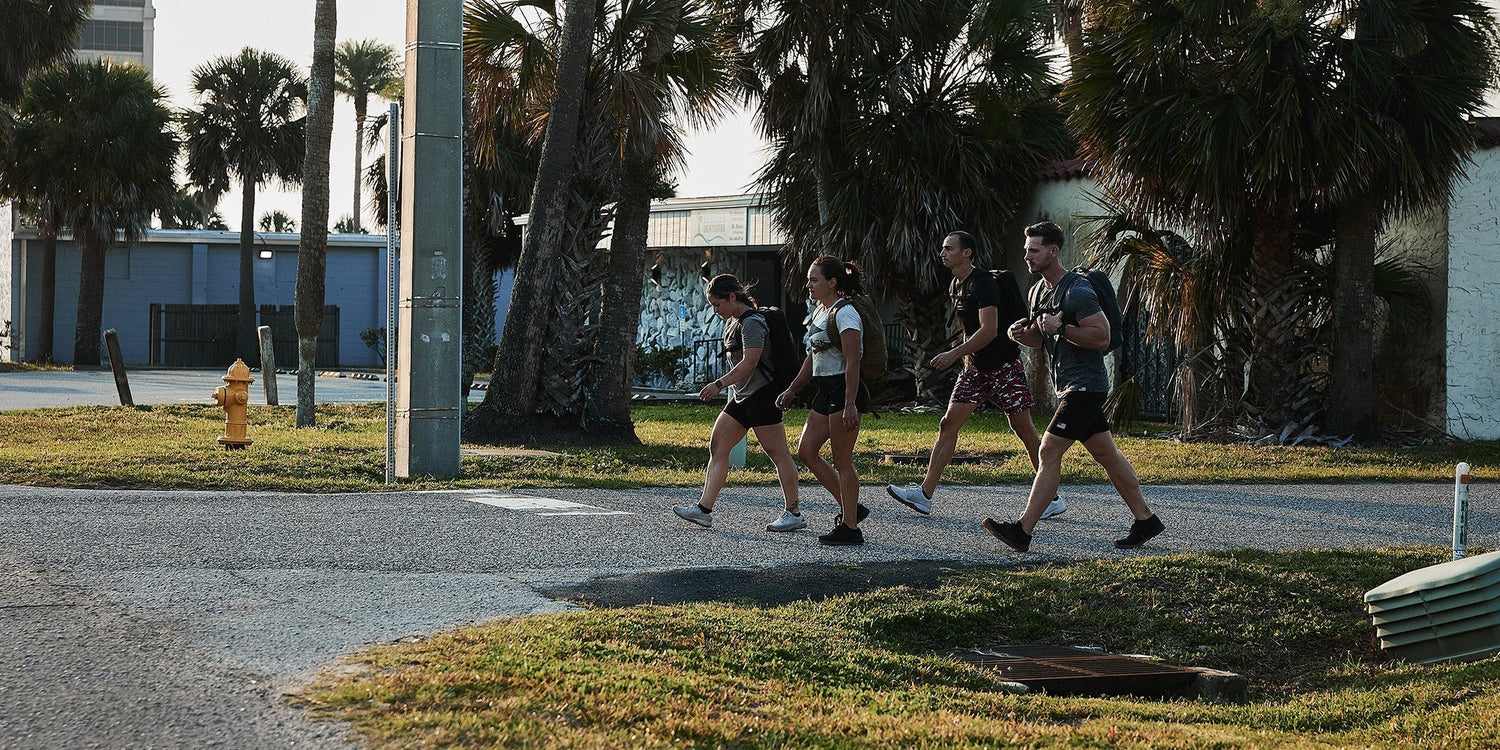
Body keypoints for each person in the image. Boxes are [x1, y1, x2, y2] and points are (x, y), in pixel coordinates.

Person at [986, 221, 1165, 552]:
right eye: (1026, 250)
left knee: (1048, 450)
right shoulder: (1038, 290)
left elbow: (1102, 336)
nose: (1027, 256)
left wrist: (1064, 328)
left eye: (1034, 250)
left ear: (1053, 252)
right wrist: (1026, 336)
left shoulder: (1078, 291)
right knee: (1105, 454)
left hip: (1086, 386)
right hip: (1068, 386)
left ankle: (1022, 531)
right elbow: (1044, 337)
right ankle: (1145, 520)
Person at [885, 230, 1064, 521]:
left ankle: (1052, 497)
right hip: (975, 370)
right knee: (948, 424)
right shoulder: (956, 284)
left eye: (949, 248)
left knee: (1023, 429)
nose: (942, 253)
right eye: (942, 248)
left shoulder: (984, 284)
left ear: (966, 253)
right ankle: (925, 494)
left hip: (1004, 367)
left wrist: (954, 354)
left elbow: (989, 329)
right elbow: (971, 331)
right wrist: (964, 359)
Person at [673, 275, 804, 532]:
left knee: (777, 453)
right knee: (718, 446)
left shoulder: (752, 323)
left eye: (717, 304)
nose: (715, 310)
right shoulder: (732, 322)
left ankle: (794, 512)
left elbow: (750, 362)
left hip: (763, 395)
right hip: (742, 396)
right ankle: (704, 510)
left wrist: (718, 385)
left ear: (732, 297)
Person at [776, 256, 871, 546]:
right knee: (807, 452)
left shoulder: (846, 313)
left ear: (833, 282)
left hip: (843, 388)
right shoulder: (821, 311)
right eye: (808, 279)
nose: (808, 285)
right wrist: (792, 388)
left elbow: (854, 359)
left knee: (843, 461)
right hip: (824, 389)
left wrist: (850, 402)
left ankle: (850, 528)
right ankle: (851, 507)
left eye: (814, 279)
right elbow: (814, 355)